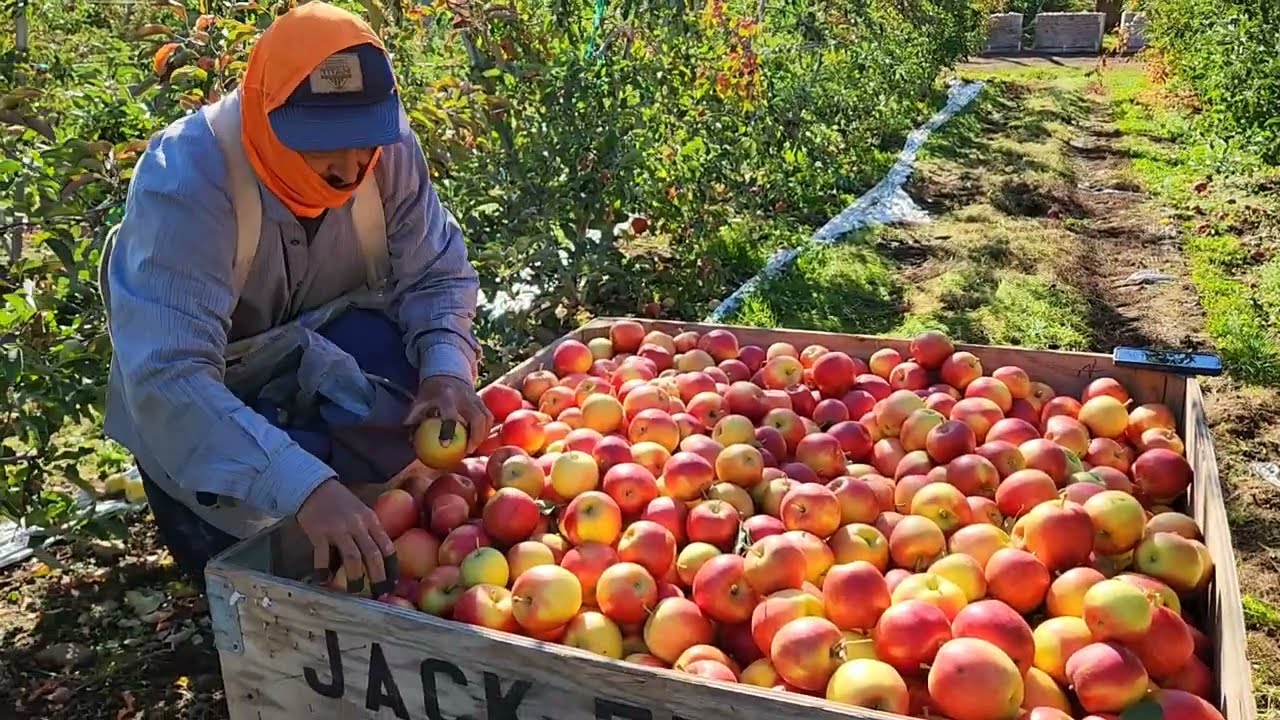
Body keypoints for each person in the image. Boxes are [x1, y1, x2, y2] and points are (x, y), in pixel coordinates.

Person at [99, 2, 492, 593]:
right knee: (261, 583)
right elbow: (170, 376)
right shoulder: (186, 179)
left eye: (364, 140)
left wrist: (447, 369)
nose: (351, 163)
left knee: (369, 540)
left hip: (326, 364)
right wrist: (303, 485)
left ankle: (363, 518)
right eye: (322, 143)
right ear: (265, 111)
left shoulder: (385, 149)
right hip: (214, 404)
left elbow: (436, 275)